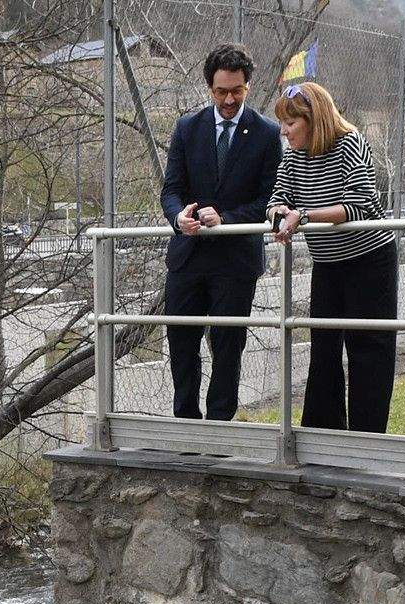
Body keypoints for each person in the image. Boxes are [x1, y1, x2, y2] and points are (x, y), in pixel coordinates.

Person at [160, 44, 282, 423]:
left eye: (237, 91)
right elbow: (171, 189)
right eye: (221, 92)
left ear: (248, 86)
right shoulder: (187, 128)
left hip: (235, 261)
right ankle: (187, 425)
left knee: (228, 348)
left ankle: (219, 430)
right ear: (209, 88)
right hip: (188, 256)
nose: (229, 100)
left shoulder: (267, 133)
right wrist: (179, 217)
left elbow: (269, 199)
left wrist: (226, 219)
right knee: (181, 344)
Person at [268, 81, 399, 433]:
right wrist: (279, 213)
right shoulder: (292, 157)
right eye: (282, 124)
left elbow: (359, 205)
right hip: (327, 264)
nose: (284, 132)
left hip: (370, 260)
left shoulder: (350, 143)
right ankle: (322, 435)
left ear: (313, 120)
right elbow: (277, 198)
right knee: (323, 349)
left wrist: (305, 215)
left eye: (290, 123)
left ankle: (367, 438)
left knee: (368, 348)